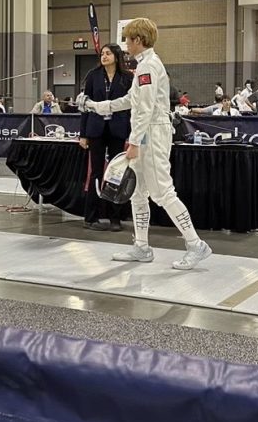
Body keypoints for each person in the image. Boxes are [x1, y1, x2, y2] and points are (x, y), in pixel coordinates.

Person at [79, 17, 212, 271]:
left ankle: (196, 245)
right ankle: (141, 247)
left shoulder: (149, 66)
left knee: (163, 192)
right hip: (145, 134)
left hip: (153, 134)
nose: (125, 44)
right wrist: (94, 106)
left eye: (128, 39)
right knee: (138, 193)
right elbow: (131, 100)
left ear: (138, 40)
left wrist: (136, 141)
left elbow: (146, 109)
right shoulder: (142, 66)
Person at [79, 45, 133, 232]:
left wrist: (132, 133)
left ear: (117, 57)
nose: (104, 56)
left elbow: (132, 107)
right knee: (96, 173)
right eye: (102, 54)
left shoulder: (127, 78)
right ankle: (90, 217)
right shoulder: (93, 76)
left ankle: (115, 218)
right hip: (96, 129)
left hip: (118, 129)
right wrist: (83, 134)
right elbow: (85, 106)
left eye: (108, 53)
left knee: (116, 173)